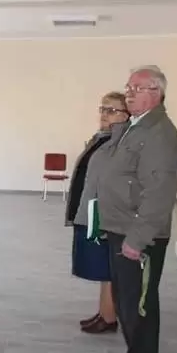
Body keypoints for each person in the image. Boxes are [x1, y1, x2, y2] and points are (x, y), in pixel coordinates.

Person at [96, 65, 177, 353]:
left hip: (138, 235)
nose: (129, 93)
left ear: (156, 93)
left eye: (137, 88)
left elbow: (158, 194)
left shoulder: (159, 133)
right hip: (122, 227)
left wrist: (137, 240)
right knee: (126, 301)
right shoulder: (138, 125)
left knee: (139, 307)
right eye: (128, 87)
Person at [66, 92, 130, 334]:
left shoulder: (121, 143)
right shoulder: (103, 138)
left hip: (103, 215)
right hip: (92, 211)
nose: (104, 114)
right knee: (103, 267)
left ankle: (109, 317)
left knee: (107, 267)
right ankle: (104, 312)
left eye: (112, 110)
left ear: (126, 115)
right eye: (103, 109)